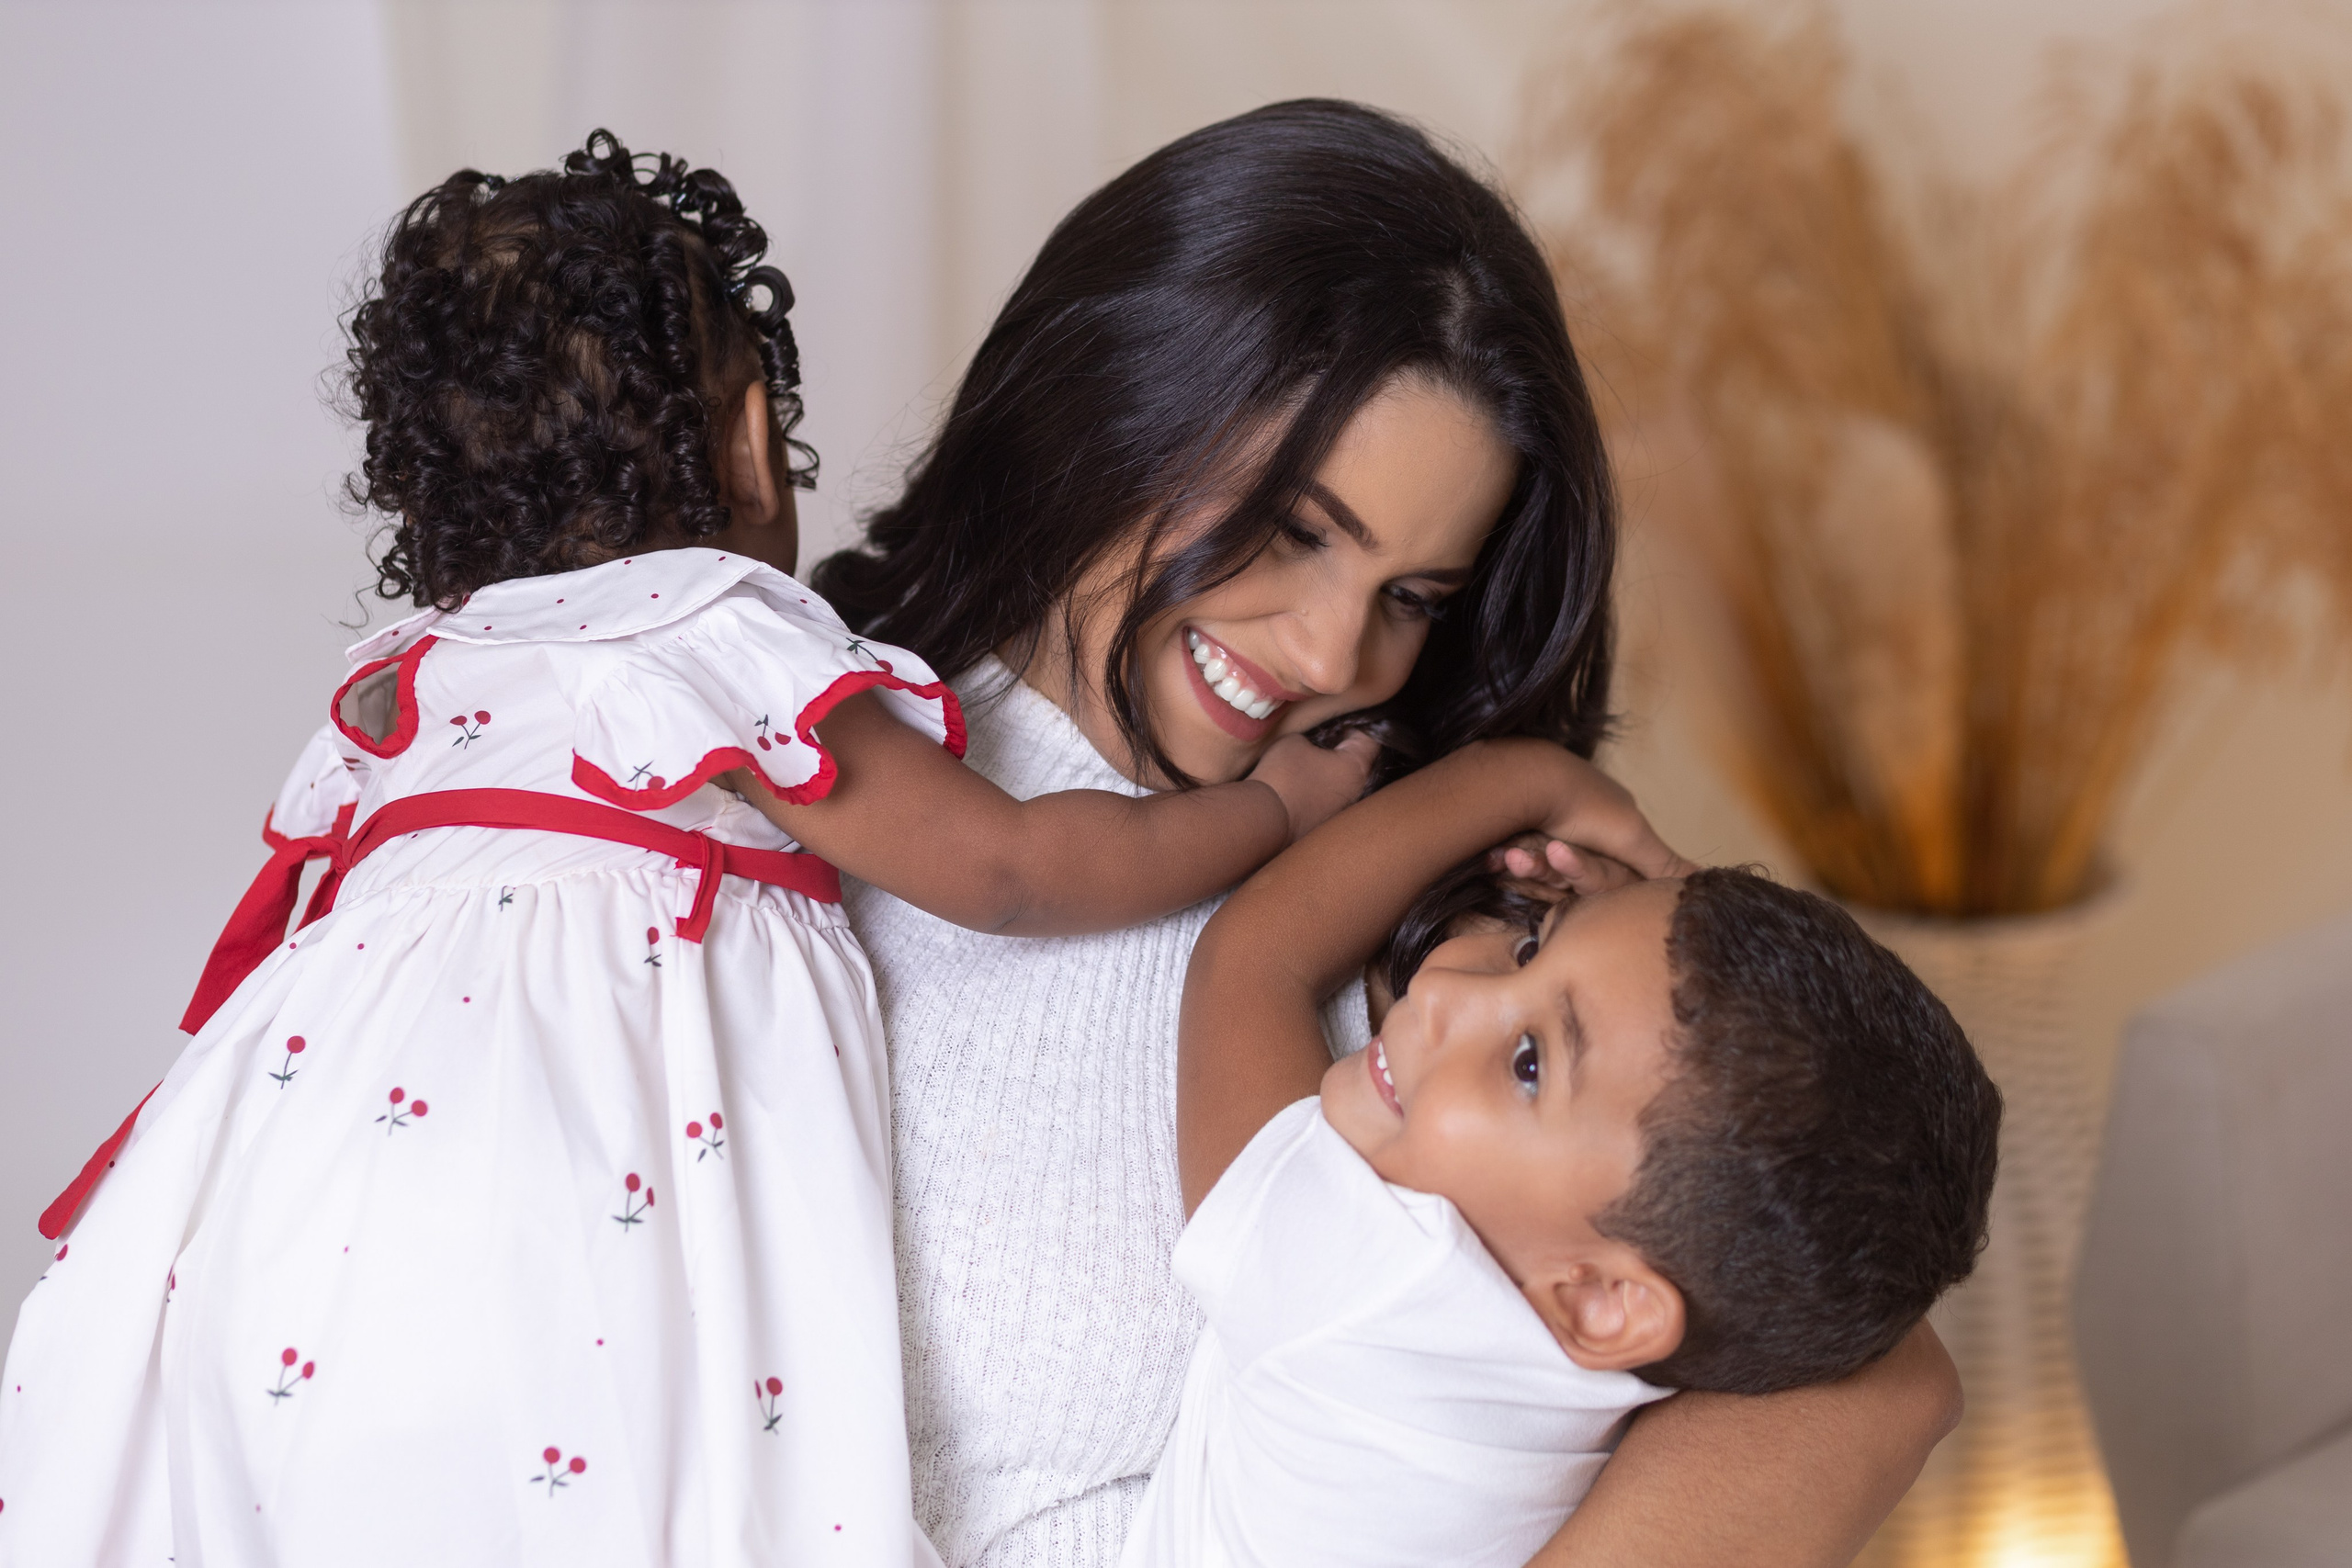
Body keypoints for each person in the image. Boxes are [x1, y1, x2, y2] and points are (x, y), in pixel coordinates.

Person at [0, 131, 1374, 1568]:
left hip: (293, 1221)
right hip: (549, 1214)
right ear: (750, 440)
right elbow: (1011, 865)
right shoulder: (705, 635)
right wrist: (1275, 810)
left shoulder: (417, 684)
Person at [815, 98, 1964, 1568]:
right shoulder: (778, 764)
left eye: (1414, 598)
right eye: (1296, 528)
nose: (1331, 653)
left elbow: (1878, 1376)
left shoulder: (1442, 939)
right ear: (1113, 401)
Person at [1125, 744, 2002, 1567]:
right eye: (1530, 946)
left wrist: (1532, 777)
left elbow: (1253, 959)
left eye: (1529, 1063)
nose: (1445, 989)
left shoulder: (1359, 1284)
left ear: (1606, 1301)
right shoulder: (1657, 1333)